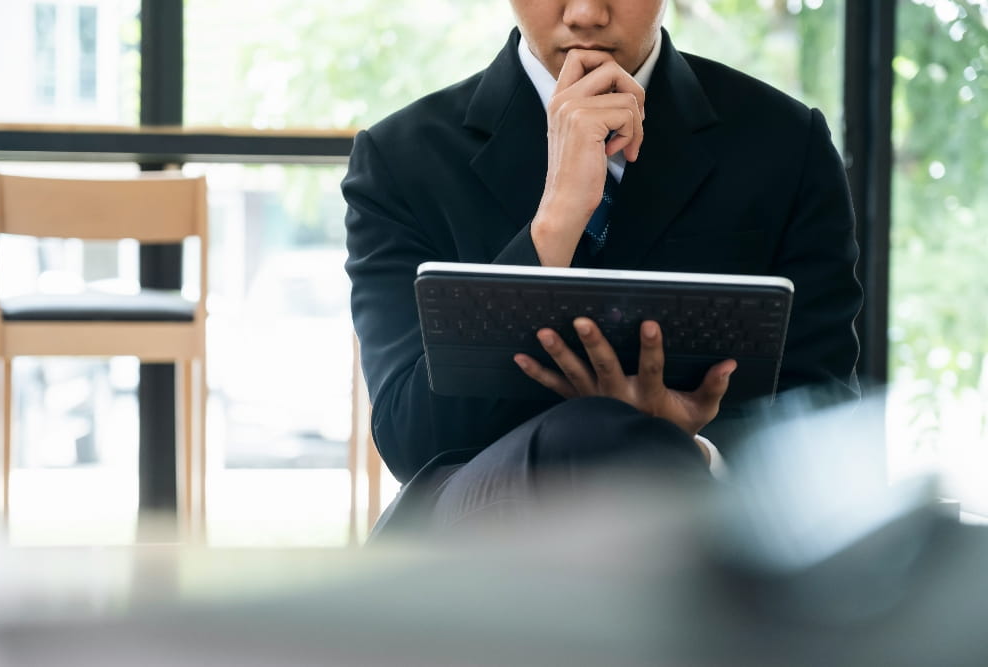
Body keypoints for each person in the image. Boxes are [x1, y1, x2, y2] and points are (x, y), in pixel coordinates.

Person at [342, 0, 862, 537]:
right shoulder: (400, 160)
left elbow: (823, 416)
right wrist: (556, 221)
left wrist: (685, 450)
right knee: (592, 434)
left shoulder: (784, 143)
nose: (586, 13)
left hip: (703, 538)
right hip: (482, 547)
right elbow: (412, 441)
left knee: (614, 444)